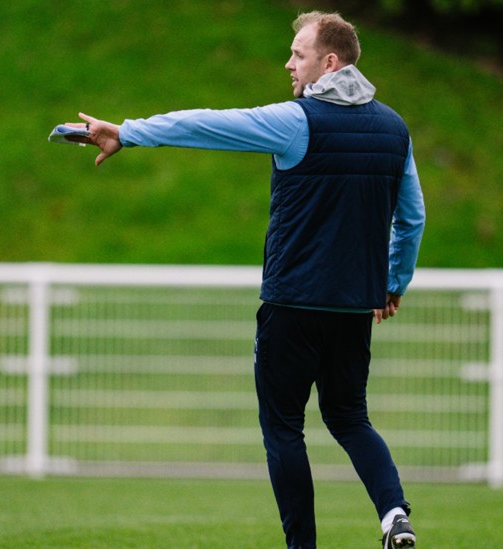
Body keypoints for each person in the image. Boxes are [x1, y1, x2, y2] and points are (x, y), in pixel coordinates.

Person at [64, 11, 425, 549]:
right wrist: (391, 284)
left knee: (284, 429)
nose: (288, 62)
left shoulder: (296, 120)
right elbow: (412, 218)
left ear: (328, 63)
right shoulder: (395, 130)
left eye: (297, 54)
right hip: (354, 308)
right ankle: (394, 513)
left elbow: (208, 124)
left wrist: (130, 133)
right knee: (350, 417)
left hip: (293, 304)